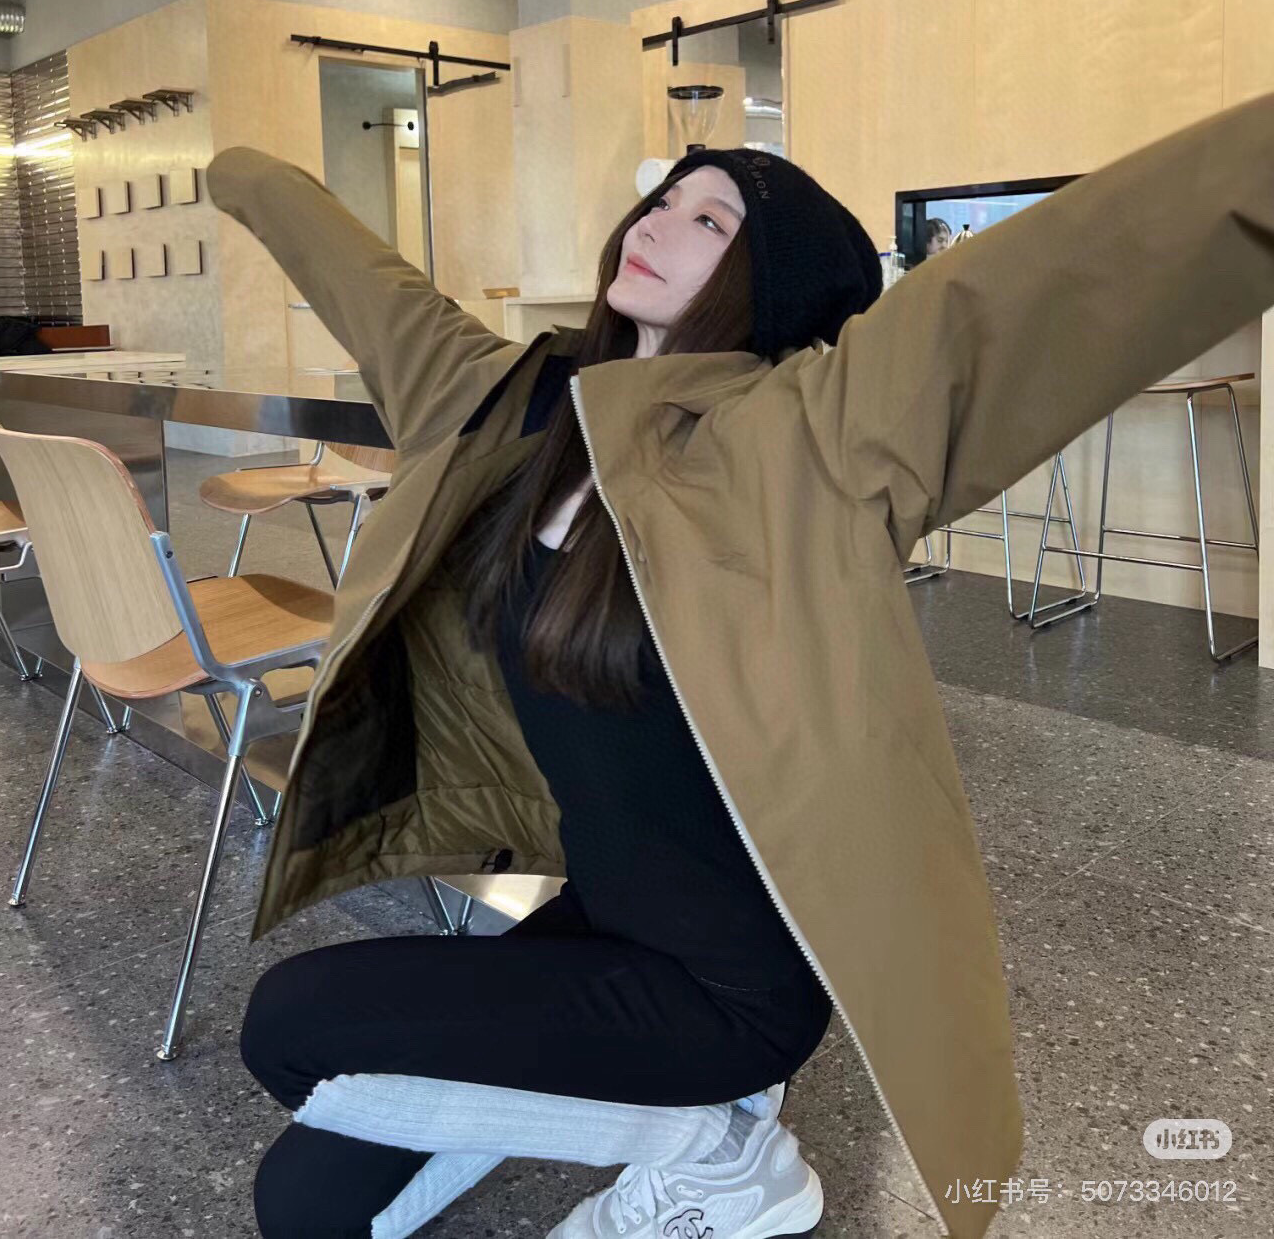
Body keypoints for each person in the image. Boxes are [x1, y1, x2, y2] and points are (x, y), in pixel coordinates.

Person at [209, 94, 1274, 1239]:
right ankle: (683, 1128)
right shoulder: (513, 401)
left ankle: (716, 1148)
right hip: (605, 919)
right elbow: (368, 286)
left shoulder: (808, 439)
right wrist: (234, 168)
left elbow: (1048, 276)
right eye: (664, 200)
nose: (656, 222)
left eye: (710, 221)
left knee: (290, 1023)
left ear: (768, 287)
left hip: (725, 987)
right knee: (301, 1198)